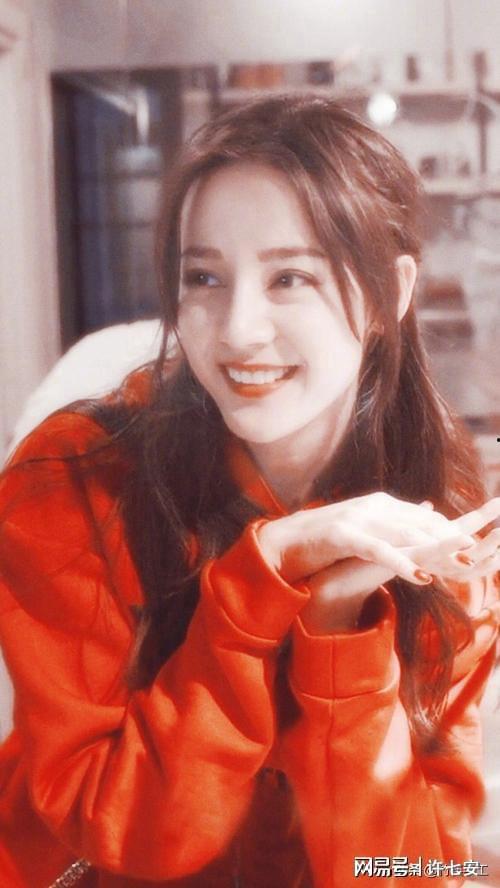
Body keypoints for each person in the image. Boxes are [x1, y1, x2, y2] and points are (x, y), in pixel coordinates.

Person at [0, 95, 499, 888]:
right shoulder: (73, 481)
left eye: (289, 277)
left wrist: (337, 630)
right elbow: (128, 834)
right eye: (204, 277)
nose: (237, 330)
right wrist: (261, 580)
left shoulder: (436, 532)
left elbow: (405, 870)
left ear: (390, 293)